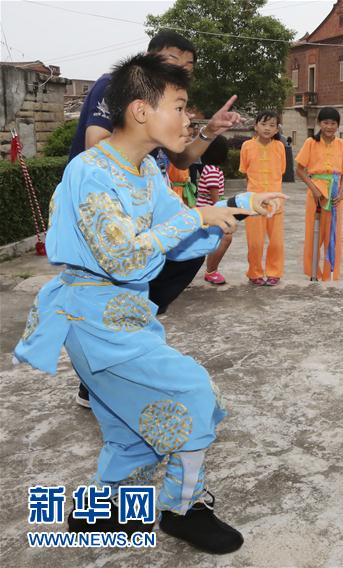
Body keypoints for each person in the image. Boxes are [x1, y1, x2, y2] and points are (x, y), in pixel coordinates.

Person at [13, 53, 286, 554]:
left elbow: (180, 235)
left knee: (126, 427)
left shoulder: (143, 173)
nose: (190, 120)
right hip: (95, 321)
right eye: (180, 107)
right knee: (196, 396)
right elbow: (122, 256)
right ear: (141, 110)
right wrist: (196, 219)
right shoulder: (90, 172)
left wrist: (239, 208)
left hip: (125, 318)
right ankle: (183, 508)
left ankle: (96, 515)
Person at [68, 31, 242, 408]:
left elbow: (180, 159)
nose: (181, 69)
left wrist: (208, 131)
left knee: (192, 243)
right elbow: (98, 146)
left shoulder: (148, 164)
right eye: (172, 60)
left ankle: (129, 343)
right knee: (113, 286)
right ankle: (103, 375)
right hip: (111, 211)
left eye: (188, 66)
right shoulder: (116, 88)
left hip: (143, 200)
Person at [295, 107, 343, 281]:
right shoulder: (310, 143)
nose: (329, 126)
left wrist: (341, 194)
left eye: (333, 123)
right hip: (315, 192)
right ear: (319, 123)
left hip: (335, 193)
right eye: (325, 122)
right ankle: (313, 272)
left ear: (338, 125)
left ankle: (329, 275)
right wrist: (314, 189)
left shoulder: (342, 145)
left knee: (332, 233)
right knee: (313, 233)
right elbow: (299, 170)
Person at [240, 111, 286, 286]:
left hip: (276, 200)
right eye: (264, 124)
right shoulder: (247, 146)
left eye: (272, 125)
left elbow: (281, 170)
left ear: (276, 129)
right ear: (256, 126)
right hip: (254, 200)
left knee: (276, 242)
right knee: (255, 242)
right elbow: (245, 171)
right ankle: (255, 272)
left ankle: (274, 272)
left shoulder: (280, 147)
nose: (267, 128)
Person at [197, 136, 232, 285]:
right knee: (226, 237)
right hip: (208, 214)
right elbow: (215, 199)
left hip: (207, 212)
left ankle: (211, 270)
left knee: (218, 240)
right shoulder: (212, 171)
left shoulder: (212, 169)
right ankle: (211, 271)